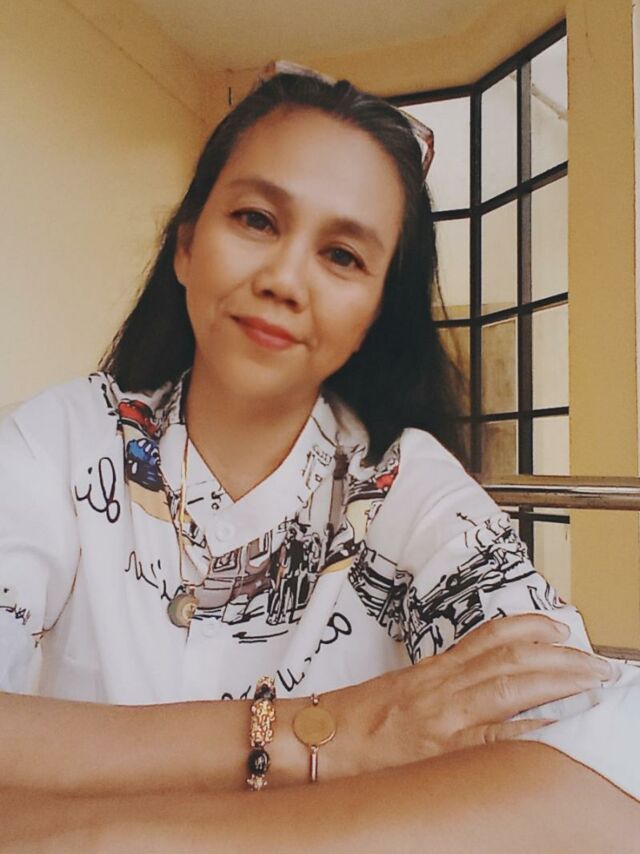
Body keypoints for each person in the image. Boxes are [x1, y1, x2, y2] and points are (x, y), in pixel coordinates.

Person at [0, 65, 638, 852]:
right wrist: (332, 733)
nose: (284, 279)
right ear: (186, 247)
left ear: (375, 314)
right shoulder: (64, 442)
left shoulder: (403, 485)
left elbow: (604, 747)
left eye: (342, 256)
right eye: (256, 219)